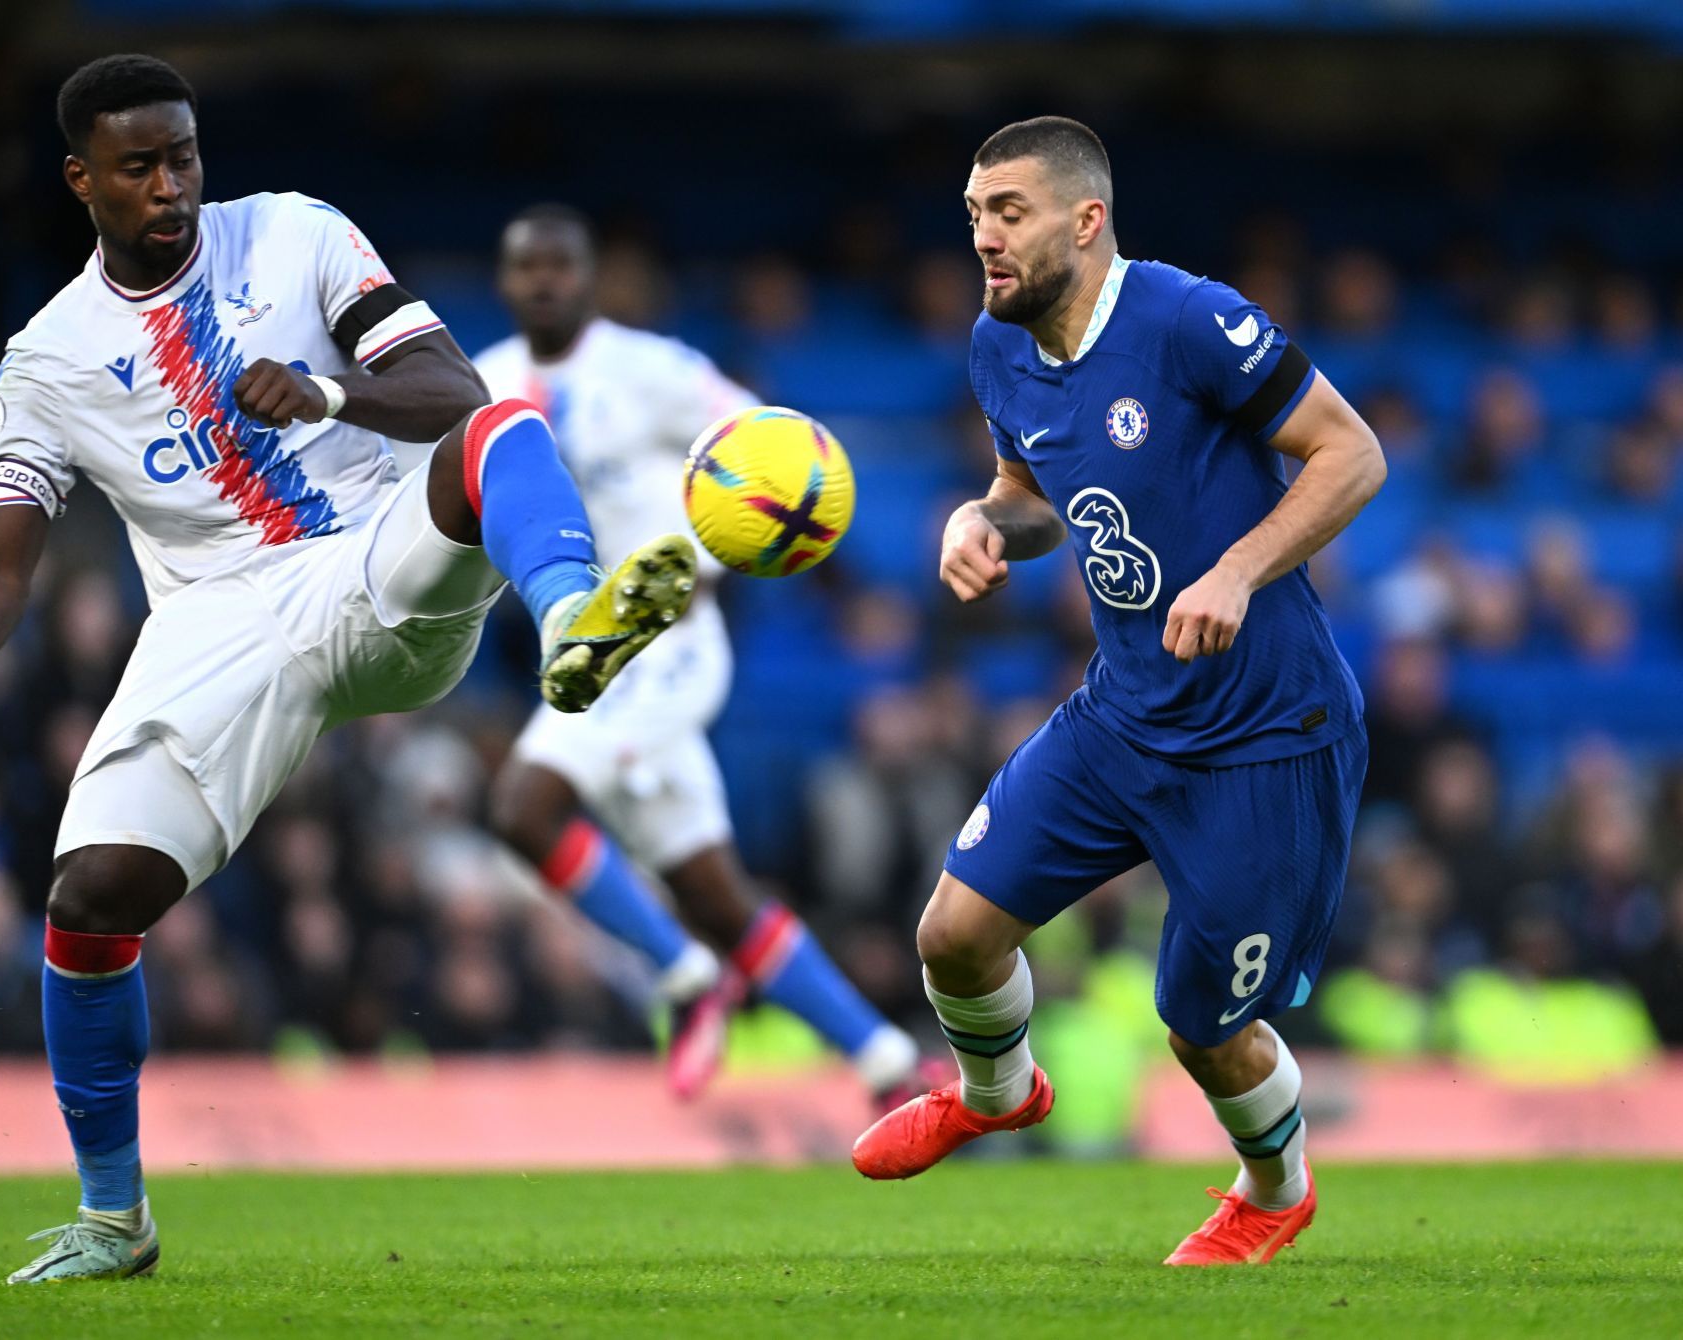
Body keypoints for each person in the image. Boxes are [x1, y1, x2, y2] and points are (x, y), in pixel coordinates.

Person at [0, 55, 696, 1284]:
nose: (171, 186)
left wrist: (326, 389)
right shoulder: (44, 361)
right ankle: (116, 1217)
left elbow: (449, 387)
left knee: (500, 431)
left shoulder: (297, 236)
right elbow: (2, 555)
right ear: (80, 180)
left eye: (185, 157)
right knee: (91, 896)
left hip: (372, 557)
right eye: (139, 166)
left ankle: (573, 622)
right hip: (212, 622)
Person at [851, 117, 1384, 1268]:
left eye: (1010, 213)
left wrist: (1240, 568)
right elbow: (1032, 490)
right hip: (1124, 712)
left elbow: (1352, 454)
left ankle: (1274, 1187)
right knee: (952, 935)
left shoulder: (1190, 321)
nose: (985, 239)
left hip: (1265, 736)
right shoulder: (999, 344)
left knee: (1203, 1026)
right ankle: (998, 1091)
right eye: (975, 215)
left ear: (1085, 221)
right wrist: (983, 520)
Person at [473, 206, 931, 1107]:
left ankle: (683, 977)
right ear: (506, 280)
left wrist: (834, 582)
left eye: (561, 267)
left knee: (525, 807)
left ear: (589, 275)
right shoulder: (487, 385)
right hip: (583, 648)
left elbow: (770, 454)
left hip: (669, 641)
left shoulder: (651, 370)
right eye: (528, 269)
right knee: (715, 889)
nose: (545, 283)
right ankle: (885, 1061)